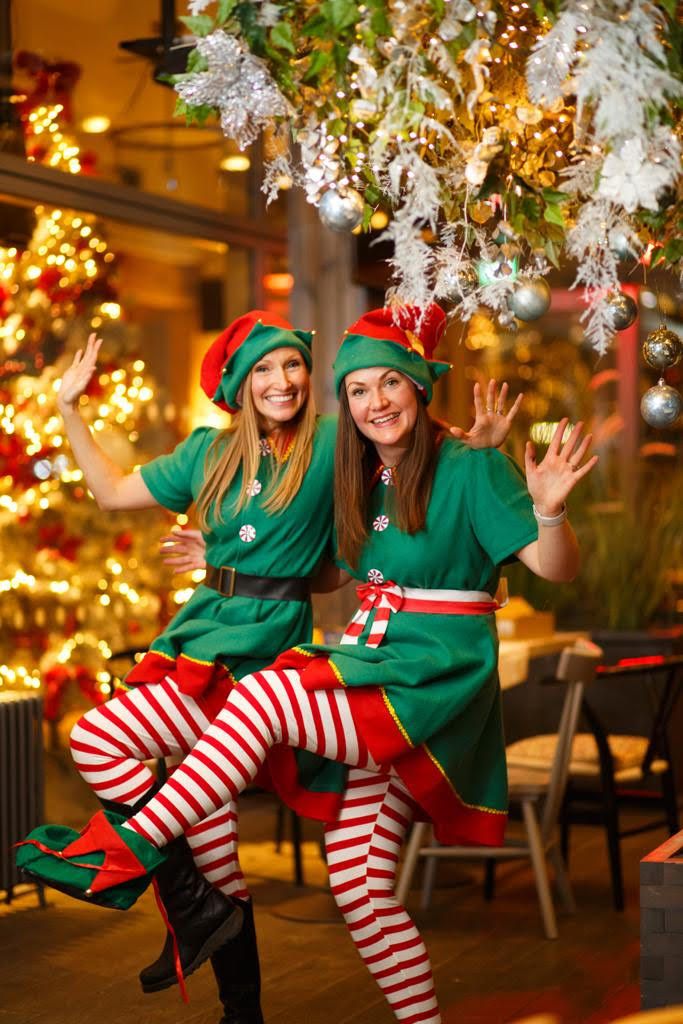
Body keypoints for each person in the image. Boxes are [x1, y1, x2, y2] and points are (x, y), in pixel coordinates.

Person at [18, 304, 582, 1024]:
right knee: (357, 887)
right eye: (358, 391)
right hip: (366, 663)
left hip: (425, 681)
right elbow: (330, 573)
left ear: (417, 386)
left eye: (389, 384)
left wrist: (547, 512)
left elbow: (550, 567)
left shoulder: (455, 465)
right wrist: (226, 563)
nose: (374, 401)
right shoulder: (360, 476)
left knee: (262, 697)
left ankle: (126, 850)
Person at [43, 310, 337, 1022]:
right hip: (196, 640)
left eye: (291, 365)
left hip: (261, 662)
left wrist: (241, 563)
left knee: (93, 737)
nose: (281, 380)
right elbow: (112, 491)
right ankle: (236, 993)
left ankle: (189, 904)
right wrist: (68, 408)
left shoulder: (330, 441)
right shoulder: (207, 452)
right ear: (237, 385)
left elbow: (328, 571)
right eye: (263, 369)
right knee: (215, 856)